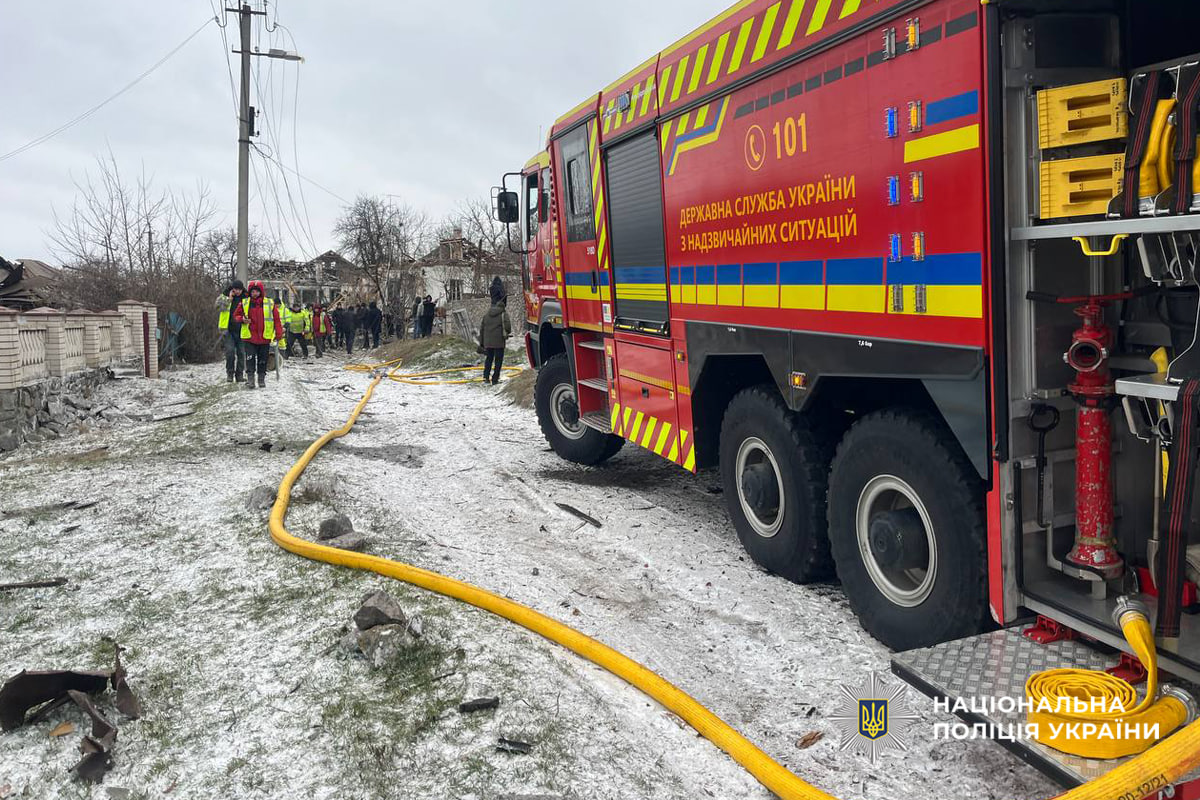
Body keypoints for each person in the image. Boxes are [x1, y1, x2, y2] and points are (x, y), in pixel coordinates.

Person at [233, 280, 283, 388]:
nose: (254, 293)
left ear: (261, 292)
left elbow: (277, 320)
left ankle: (261, 379)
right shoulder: (244, 303)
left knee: (262, 359)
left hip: (265, 337)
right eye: (252, 291)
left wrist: (278, 333)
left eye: (257, 291)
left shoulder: (270, 303)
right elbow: (236, 316)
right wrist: (242, 319)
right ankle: (250, 379)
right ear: (250, 292)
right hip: (249, 337)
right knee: (250, 358)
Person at [479, 296, 512, 385]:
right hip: (499, 342)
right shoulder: (503, 314)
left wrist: (481, 342)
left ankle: (485, 377)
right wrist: (507, 332)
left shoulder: (486, 315)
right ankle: (495, 379)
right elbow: (508, 327)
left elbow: (482, 329)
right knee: (498, 361)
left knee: (488, 359)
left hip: (488, 342)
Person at [217, 280, 245, 383]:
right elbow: (217, 307)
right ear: (232, 289)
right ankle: (230, 373)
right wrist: (229, 299)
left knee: (242, 353)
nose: (237, 292)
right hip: (228, 329)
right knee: (230, 353)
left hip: (242, 329)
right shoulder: (224, 296)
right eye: (235, 289)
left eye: (239, 290)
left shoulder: (246, 298)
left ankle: (240, 375)